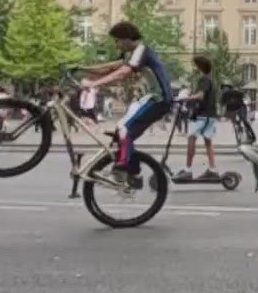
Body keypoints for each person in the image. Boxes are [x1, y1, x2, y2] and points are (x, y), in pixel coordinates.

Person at [79, 20, 172, 185]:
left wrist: (93, 84)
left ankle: (124, 167)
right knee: (120, 134)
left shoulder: (142, 49)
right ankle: (134, 174)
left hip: (159, 99)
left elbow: (122, 73)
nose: (116, 45)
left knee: (125, 130)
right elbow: (109, 68)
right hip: (149, 99)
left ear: (127, 38)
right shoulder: (132, 54)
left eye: (117, 40)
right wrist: (80, 68)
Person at [176, 55, 224, 183]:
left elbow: (201, 95)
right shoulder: (210, 80)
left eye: (195, 65)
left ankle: (187, 169)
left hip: (203, 115)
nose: (194, 67)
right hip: (209, 115)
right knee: (208, 142)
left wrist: (188, 97)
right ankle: (212, 169)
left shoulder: (203, 79)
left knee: (192, 138)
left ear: (200, 66)